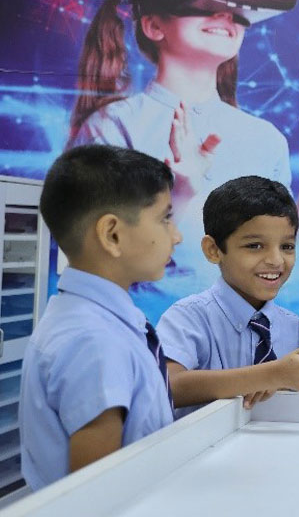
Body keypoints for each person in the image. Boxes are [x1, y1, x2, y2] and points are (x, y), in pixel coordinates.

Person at [69, 0, 299, 288]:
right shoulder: (113, 126)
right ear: (154, 26)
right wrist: (181, 194)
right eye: (205, 5)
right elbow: (102, 256)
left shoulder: (265, 138)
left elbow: (276, 269)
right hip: (147, 320)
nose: (224, 16)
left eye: (236, 11)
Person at [19, 145, 181, 489]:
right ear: (112, 234)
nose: (177, 236)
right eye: (165, 218)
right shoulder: (94, 341)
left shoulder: (93, 318)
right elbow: (97, 495)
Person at [157, 176, 299, 416]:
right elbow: (168, 386)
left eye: (287, 246)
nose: (275, 260)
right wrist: (271, 374)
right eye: (255, 246)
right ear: (213, 250)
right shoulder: (188, 318)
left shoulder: (295, 329)